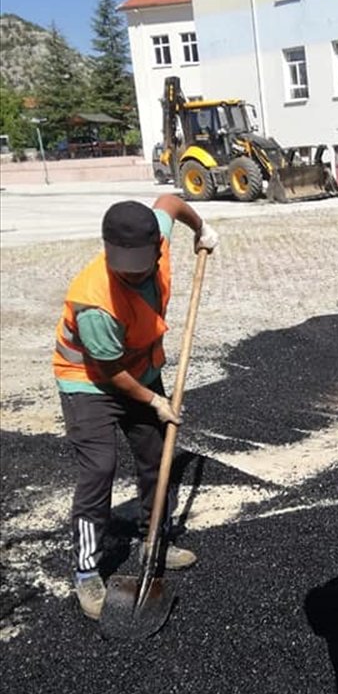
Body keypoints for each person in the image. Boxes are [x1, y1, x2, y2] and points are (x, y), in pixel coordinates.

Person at [53, 195, 219, 620]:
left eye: (139, 264)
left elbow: (169, 202)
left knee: (155, 455)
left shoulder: (157, 237)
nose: (130, 273)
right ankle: (87, 570)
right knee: (98, 469)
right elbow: (109, 371)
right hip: (89, 382)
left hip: (140, 372)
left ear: (155, 249)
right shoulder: (94, 301)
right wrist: (154, 402)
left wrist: (200, 228)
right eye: (121, 264)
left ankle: (154, 540)